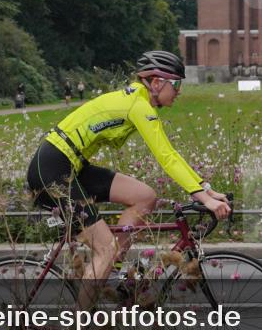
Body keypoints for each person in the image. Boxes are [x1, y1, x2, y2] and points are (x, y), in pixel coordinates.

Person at [26, 50, 231, 307]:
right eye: (176, 83)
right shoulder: (139, 106)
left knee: (145, 197)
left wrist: (205, 190)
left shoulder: (139, 100)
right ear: (156, 82)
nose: (179, 91)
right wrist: (203, 197)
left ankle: (113, 271)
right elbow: (166, 156)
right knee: (106, 249)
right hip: (51, 170)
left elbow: (171, 156)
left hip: (70, 166)